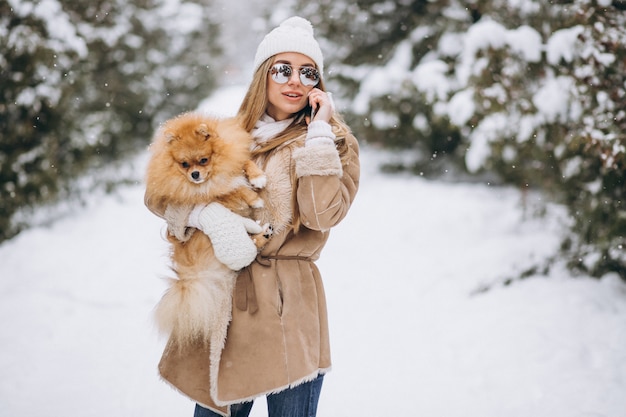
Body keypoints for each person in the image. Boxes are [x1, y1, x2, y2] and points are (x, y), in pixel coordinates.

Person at [147, 16, 360, 417]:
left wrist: (318, 133)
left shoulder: (333, 143)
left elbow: (321, 214)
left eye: (307, 72)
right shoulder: (228, 134)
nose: (294, 80)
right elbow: (157, 193)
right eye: (283, 69)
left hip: (287, 306)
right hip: (223, 302)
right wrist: (204, 215)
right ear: (264, 75)